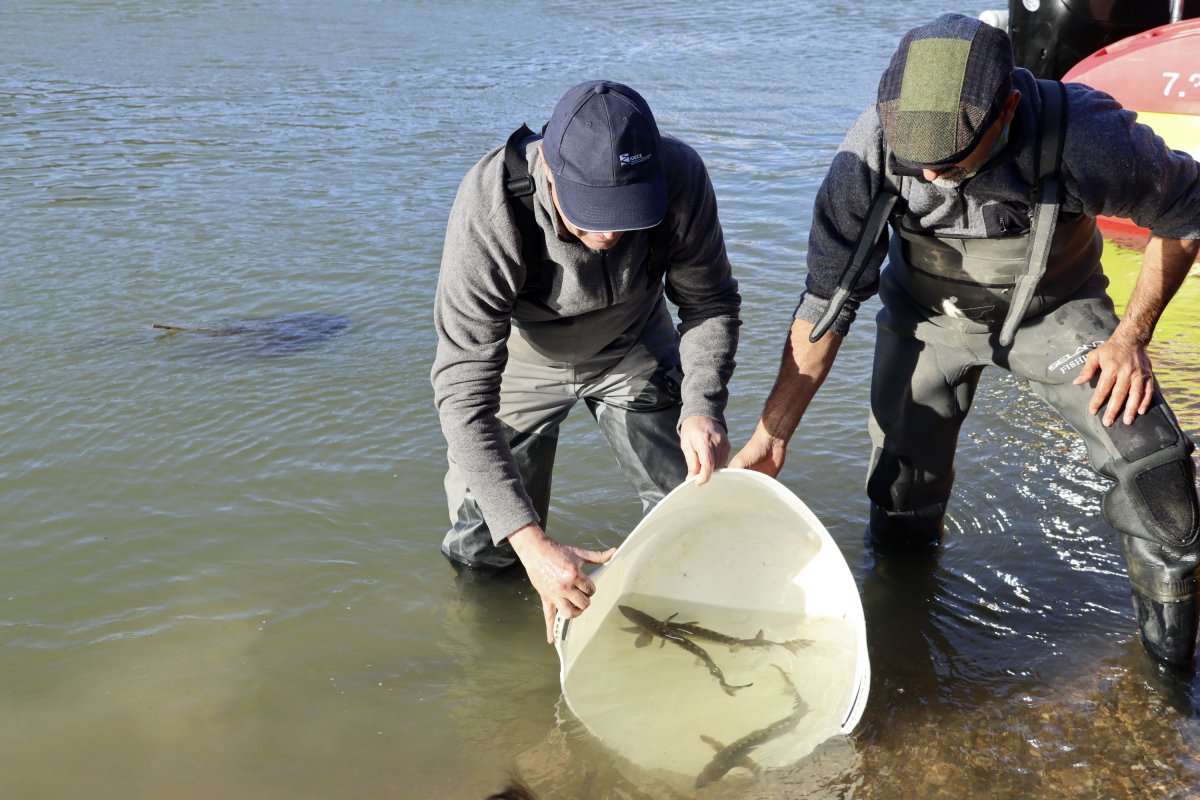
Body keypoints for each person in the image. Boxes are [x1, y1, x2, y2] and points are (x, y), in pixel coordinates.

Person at [732, 14, 1200, 667]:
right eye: (913, 164)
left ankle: (1167, 689)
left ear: (1007, 109)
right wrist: (773, 433)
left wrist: (1133, 335)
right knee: (900, 497)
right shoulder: (870, 149)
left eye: (947, 163)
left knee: (1163, 486)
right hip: (926, 317)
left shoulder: (1090, 135)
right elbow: (827, 300)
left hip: (1056, 312)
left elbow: (1186, 210)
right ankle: (901, 654)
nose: (926, 180)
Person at [432, 80, 741, 641]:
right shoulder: (491, 202)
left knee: (691, 505)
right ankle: (500, 663)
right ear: (550, 170)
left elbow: (710, 301)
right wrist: (530, 542)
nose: (607, 233)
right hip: (522, 358)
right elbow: (462, 392)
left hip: (633, 342)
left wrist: (702, 405)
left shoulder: (680, 175)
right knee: (486, 547)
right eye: (591, 213)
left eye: (626, 215)